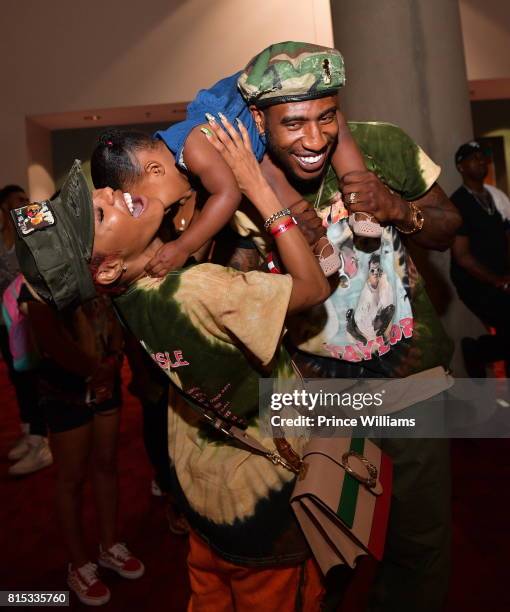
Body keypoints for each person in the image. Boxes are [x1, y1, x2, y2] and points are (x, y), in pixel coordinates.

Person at [14, 114, 330, 610]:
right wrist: (258, 188)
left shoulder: (129, 297)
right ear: (110, 266)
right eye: (98, 214)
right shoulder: (198, 289)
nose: (109, 194)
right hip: (265, 511)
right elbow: (314, 288)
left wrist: (175, 198)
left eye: (96, 195)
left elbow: (176, 250)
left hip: (204, 498)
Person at [197, 42, 459, 612]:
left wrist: (399, 209)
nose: (313, 140)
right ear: (259, 121)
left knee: (420, 544)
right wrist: (279, 247)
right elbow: (231, 301)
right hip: (317, 395)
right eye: (292, 123)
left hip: (412, 377)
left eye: (326, 117)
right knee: (325, 549)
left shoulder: (383, 143)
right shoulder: (240, 187)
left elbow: (447, 224)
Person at [91, 43, 369, 280]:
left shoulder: (193, 146)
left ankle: (360, 199)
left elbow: (227, 194)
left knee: (336, 128)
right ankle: (322, 246)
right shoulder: (187, 164)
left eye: (145, 200)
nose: (160, 210)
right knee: (282, 195)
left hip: (275, 91)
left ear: (154, 170)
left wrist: (184, 246)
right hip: (254, 154)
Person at [20, 283, 144, 606]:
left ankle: (109, 545)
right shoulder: (38, 270)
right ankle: (78, 564)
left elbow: (116, 308)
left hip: (107, 372)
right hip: (64, 384)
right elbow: (48, 336)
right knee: (71, 478)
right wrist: (94, 369)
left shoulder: (98, 252)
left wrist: (114, 358)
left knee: (106, 464)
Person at [0, 184, 52, 475]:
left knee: (34, 376)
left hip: (30, 312)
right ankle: (30, 432)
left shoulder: (31, 222)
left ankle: (41, 441)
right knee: (17, 375)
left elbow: (52, 236)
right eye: (17, 200)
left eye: (25, 198)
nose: (24, 203)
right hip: (5, 317)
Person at [450, 140, 510, 377]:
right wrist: (498, 281)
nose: (480, 160)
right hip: (474, 282)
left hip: (500, 276)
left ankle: (482, 352)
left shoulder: (494, 197)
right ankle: (478, 350)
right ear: (461, 166)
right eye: (473, 157)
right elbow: (462, 257)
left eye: (482, 156)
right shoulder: (459, 203)